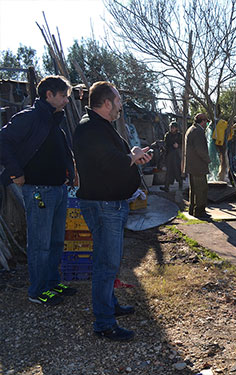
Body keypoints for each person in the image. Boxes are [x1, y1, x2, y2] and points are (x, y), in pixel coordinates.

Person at [73, 81, 152, 341]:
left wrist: (133, 154)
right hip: (104, 205)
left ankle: (110, 305)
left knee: (108, 261)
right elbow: (110, 162)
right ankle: (104, 322)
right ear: (107, 103)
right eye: (118, 100)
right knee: (106, 264)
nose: (120, 105)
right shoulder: (90, 129)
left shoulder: (100, 128)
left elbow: (112, 157)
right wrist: (131, 157)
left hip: (110, 204)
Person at [0, 75, 77, 306]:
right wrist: (16, 173)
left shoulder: (54, 121)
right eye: (63, 96)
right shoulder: (30, 118)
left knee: (55, 241)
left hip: (58, 190)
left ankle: (52, 283)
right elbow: (2, 141)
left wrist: (70, 175)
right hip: (38, 191)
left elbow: (62, 152)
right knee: (40, 242)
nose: (66, 101)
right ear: (49, 95)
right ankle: (37, 290)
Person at [184, 113, 211, 219]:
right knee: (201, 189)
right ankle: (199, 211)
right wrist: (208, 160)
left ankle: (192, 209)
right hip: (198, 166)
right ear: (203, 121)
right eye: (206, 122)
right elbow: (200, 150)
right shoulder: (198, 131)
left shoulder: (191, 129)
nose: (206, 124)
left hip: (192, 166)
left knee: (194, 189)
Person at [161, 121, 183, 192]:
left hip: (177, 156)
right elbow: (165, 144)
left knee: (178, 171)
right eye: (170, 127)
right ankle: (166, 187)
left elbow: (184, 145)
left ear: (176, 128)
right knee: (169, 172)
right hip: (169, 155)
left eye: (173, 127)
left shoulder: (180, 135)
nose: (171, 129)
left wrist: (178, 146)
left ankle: (181, 185)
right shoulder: (167, 135)